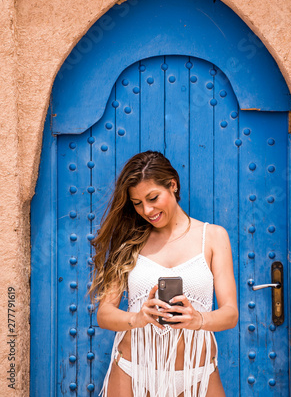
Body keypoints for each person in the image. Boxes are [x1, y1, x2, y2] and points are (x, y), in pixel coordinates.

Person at [89, 150, 238, 397]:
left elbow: (230, 314)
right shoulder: (129, 241)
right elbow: (104, 314)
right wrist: (137, 318)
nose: (146, 210)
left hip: (196, 375)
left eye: (153, 198)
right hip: (133, 373)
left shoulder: (212, 237)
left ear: (172, 185)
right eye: (137, 203)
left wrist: (197, 319)